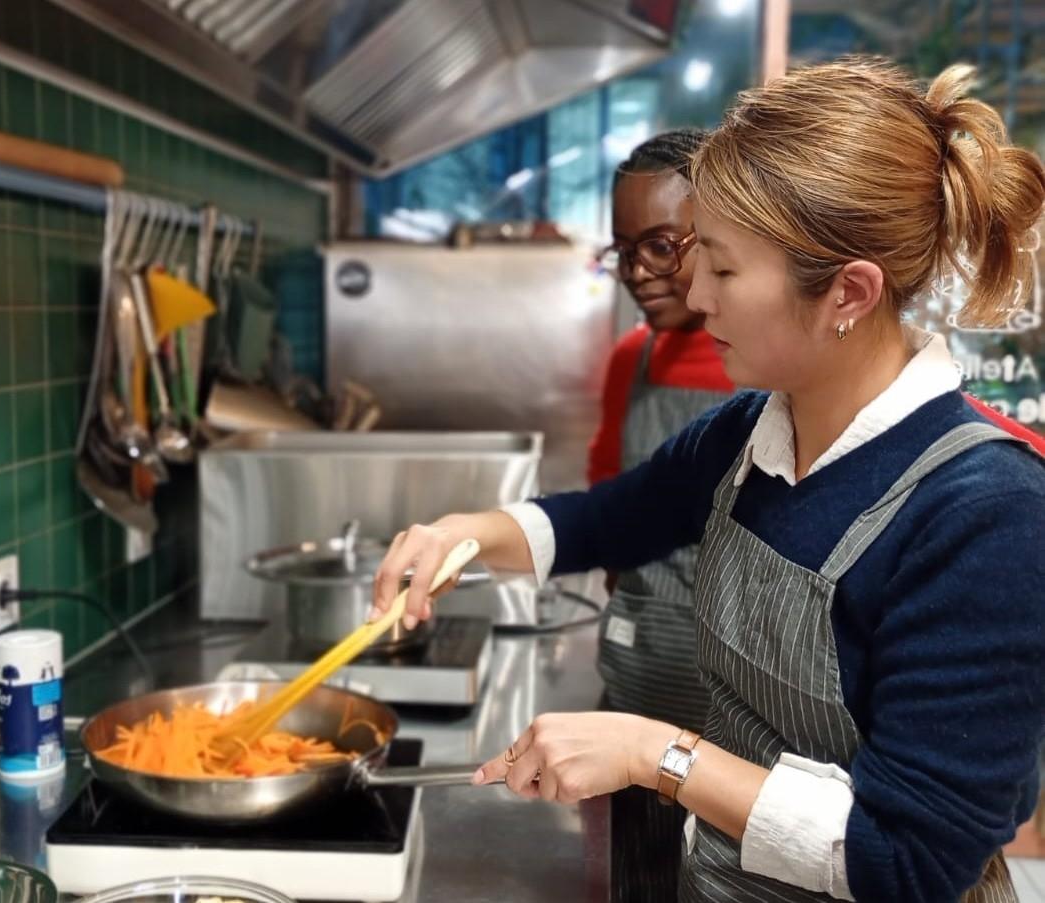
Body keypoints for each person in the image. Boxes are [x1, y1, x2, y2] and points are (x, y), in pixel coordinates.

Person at [372, 58, 1045, 901]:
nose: (694, 291)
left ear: (849, 291)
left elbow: (907, 859)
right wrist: (461, 536)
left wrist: (654, 754)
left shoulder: (986, 512)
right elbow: (604, 520)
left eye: (722, 269)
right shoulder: (757, 429)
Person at [589, 129, 733, 901]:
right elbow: (610, 503)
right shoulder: (630, 359)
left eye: (662, 245)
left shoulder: (768, 367)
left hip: (736, 742)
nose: (638, 272)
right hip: (632, 703)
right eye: (622, 249)